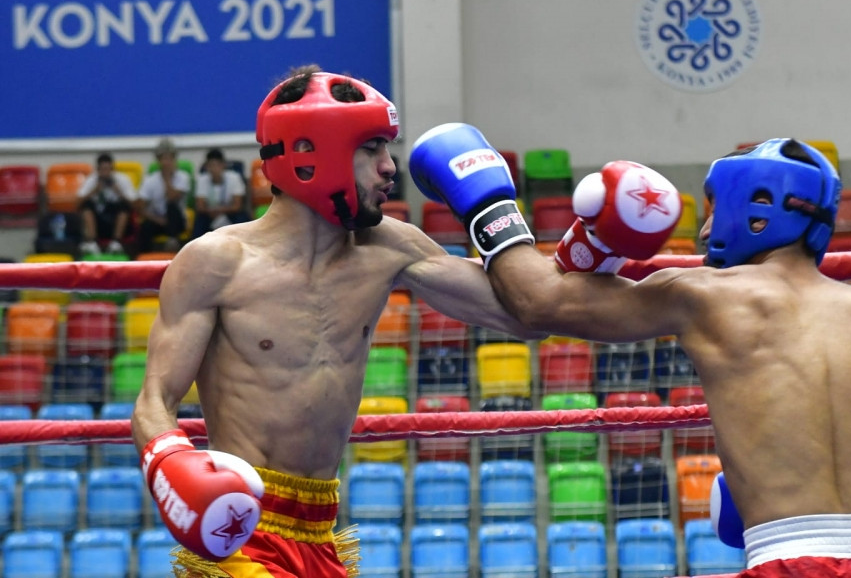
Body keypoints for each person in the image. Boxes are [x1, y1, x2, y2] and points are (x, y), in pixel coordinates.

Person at [410, 127, 851, 578]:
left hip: (789, 561)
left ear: (757, 208)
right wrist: (842, 513)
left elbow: (536, 301)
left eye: (714, 209)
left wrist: (487, 198)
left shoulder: (703, 296)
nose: (702, 232)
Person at [130, 66, 543, 577]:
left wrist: (494, 211)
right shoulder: (216, 261)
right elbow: (154, 400)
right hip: (242, 534)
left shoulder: (391, 246)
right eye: (371, 147)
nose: (390, 168)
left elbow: (528, 316)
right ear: (316, 151)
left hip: (322, 532)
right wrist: (172, 465)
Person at [136, 138, 192, 253]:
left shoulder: (183, 177)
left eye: (169, 158)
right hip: (158, 220)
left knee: (171, 205)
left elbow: (172, 197)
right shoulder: (150, 180)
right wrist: (157, 220)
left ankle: (172, 241)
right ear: (158, 160)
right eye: (163, 159)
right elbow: (140, 207)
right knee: (145, 226)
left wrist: (166, 178)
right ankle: (144, 258)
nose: (166, 162)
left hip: (177, 221)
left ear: (174, 159)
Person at [76, 152, 137, 255]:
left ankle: (116, 243)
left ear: (112, 169)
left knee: (124, 206)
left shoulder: (122, 180)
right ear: (98, 170)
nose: (105, 173)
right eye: (102, 170)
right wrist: (94, 191)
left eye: (108, 169)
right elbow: (77, 204)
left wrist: (119, 192)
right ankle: (92, 242)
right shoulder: (92, 180)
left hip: (116, 221)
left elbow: (135, 205)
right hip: (99, 222)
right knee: (87, 205)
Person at [191, 148, 250, 239]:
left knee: (241, 218)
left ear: (223, 165)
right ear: (207, 167)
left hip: (230, 213)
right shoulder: (202, 179)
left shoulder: (234, 177)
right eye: (211, 165)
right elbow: (200, 206)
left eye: (217, 165)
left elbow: (237, 205)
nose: (214, 169)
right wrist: (213, 212)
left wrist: (219, 210)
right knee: (200, 220)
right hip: (209, 214)